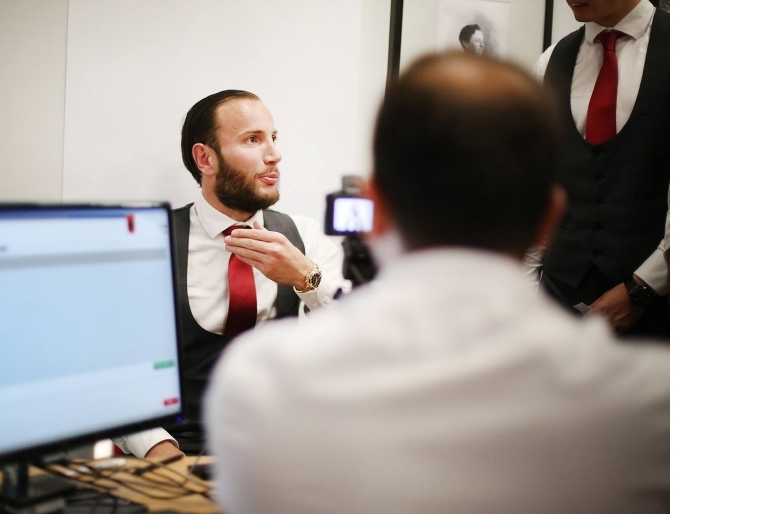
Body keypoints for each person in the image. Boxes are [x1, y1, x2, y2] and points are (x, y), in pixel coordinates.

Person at [205, 52, 669, 513]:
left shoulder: (263, 382)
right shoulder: (650, 406)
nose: (273, 153)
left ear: (373, 207)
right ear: (549, 221)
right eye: (254, 139)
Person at [112, 90, 350, 458]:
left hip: (284, 453)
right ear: (205, 158)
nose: (274, 154)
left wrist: (307, 277)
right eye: (252, 139)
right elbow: (114, 373)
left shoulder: (305, 237)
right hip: (179, 451)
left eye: (273, 138)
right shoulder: (147, 245)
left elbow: (355, 340)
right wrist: (157, 449)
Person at [531, 0, 669, 339]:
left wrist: (643, 286)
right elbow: (535, 188)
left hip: (659, 309)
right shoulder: (551, 62)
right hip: (557, 301)